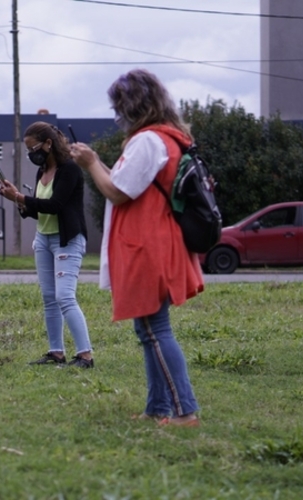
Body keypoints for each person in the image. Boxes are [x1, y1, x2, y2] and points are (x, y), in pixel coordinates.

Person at [70, 69, 203, 425]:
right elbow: (127, 181)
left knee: (155, 330)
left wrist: (90, 162)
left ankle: (183, 410)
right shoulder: (170, 138)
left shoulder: (148, 141)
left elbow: (116, 190)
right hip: (158, 240)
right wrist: (98, 163)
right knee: (148, 329)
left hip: (149, 244)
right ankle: (157, 407)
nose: (117, 116)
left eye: (119, 108)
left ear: (132, 106)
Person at [0, 122, 94, 369]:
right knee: (49, 298)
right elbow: (38, 210)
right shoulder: (42, 171)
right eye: (28, 149)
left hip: (67, 240)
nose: (32, 154)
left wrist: (20, 197)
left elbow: (56, 205)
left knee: (65, 296)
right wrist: (19, 200)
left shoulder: (70, 169)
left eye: (34, 148)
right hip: (44, 239)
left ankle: (85, 355)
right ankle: (56, 352)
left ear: (49, 144)